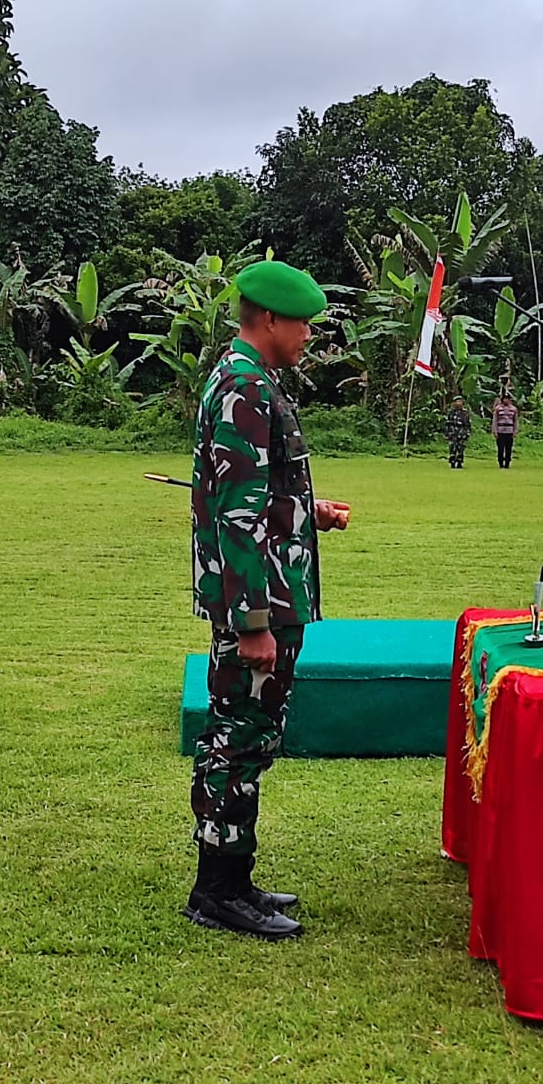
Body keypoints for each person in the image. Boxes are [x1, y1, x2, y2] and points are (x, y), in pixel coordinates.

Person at [187, 260, 351, 941]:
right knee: (236, 737)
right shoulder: (244, 389)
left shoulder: (255, 383)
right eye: (304, 322)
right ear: (271, 320)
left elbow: (260, 494)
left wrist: (310, 510)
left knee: (251, 736)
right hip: (260, 605)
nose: (309, 333)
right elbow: (236, 512)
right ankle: (217, 889)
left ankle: (235, 875)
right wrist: (252, 619)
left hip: (276, 593)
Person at [443, 396, 472, 468]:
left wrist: (467, 433)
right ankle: (452, 461)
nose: (458, 403)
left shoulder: (465, 413)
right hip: (452, 433)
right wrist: (447, 433)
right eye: (457, 401)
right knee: (452, 448)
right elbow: (447, 424)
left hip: (462, 433)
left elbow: (468, 424)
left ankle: (459, 462)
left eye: (460, 401)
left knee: (461, 448)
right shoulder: (451, 413)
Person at [491, 394, 519, 468]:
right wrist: (494, 431)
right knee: (500, 448)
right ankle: (500, 462)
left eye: (507, 399)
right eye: (504, 399)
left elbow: (515, 420)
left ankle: (507, 463)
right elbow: (495, 420)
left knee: (508, 448)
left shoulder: (513, 409)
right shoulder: (498, 409)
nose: (506, 400)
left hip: (509, 431)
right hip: (500, 430)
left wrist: (515, 431)